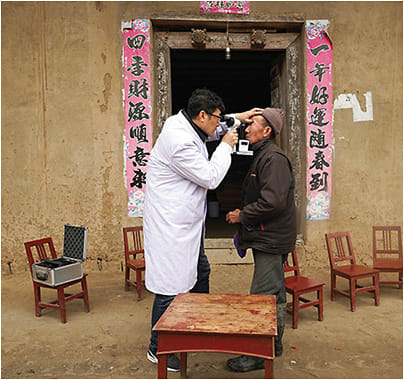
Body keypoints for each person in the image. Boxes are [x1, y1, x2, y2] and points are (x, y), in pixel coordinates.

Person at [143, 88, 262, 371]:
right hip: (170, 226)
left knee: (201, 272)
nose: (220, 124)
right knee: (170, 287)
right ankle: (157, 347)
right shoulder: (179, 141)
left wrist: (236, 118)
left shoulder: (184, 122)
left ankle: (193, 324)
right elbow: (210, 178)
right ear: (202, 115)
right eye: (217, 118)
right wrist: (225, 146)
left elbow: (213, 127)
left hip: (186, 224)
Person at [225, 107, 297, 372]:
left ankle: (256, 354)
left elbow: (273, 202)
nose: (246, 128)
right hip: (270, 236)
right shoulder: (263, 155)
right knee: (275, 294)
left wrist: (242, 215)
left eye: (251, 124)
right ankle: (273, 344)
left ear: (267, 131)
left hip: (271, 237)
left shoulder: (273, 159)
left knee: (262, 296)